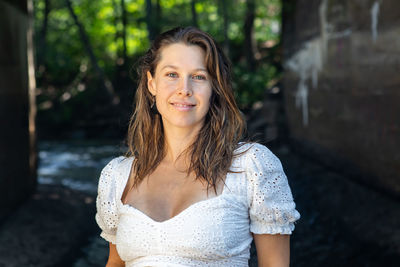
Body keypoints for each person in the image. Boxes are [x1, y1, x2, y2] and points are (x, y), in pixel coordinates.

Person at [95, 27, 300, 267]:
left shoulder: (251, 166)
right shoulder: (118, 176)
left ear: (214, 87)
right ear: (152, 84)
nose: (184, 89)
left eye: (199, 76)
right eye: (172, 74)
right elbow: (115, 262)